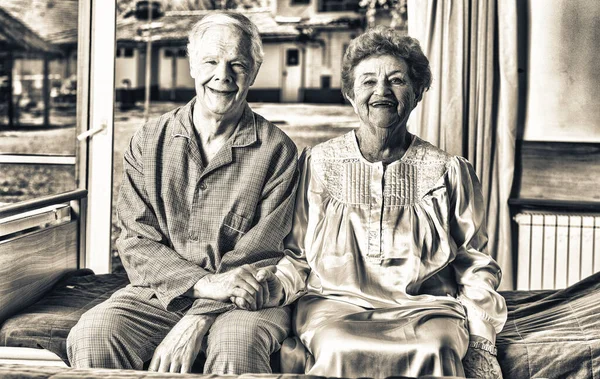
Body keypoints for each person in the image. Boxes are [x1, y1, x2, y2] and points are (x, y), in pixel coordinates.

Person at [67, 12, 298, 374]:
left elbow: (261, 256)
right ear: (192, 63)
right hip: (158, 293)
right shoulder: (148, 140)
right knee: (94, 334)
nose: (222, 75)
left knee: (236, 346)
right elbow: (135, 241)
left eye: (237, 64)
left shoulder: (277, 151)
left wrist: (198, 318)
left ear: (253, 71)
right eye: (210, 61)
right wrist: (205, 284)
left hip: (245, 302)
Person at [273, 27, 507, 378]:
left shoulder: (448, 171)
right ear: (350, 94)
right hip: (336, 307)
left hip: (427, 311)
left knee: (437, 348)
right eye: (367, 81)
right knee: (339, 347)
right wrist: (272, 286)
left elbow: (474, 264)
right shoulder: (317, 164)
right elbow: (297, 255)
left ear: (417, 93)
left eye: (396, 80)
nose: (381, 91)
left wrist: (482, 340)